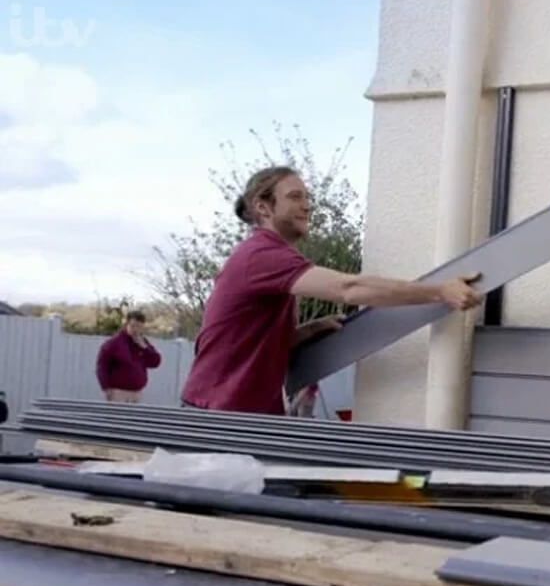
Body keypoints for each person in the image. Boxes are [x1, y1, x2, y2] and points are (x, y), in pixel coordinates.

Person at [181, 165, 483, 415]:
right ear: (263, 207)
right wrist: (440, 291)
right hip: (219, 414)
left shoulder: (266, 256)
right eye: (295, 197)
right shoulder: (261, 255)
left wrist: (306, 332)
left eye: (307, 197)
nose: (306, 205)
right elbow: (348, 288)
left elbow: (245, 341)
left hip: (237, 412)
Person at [96, 311, 162, 403]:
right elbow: (102, 366)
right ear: (126, 325)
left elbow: (155, 362)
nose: (136, 330)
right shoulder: (114, 343)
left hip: (136, 393)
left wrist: (145, 348)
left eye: (139, 327)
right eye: (133, 326)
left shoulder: (142, 342)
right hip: (118, 392)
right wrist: (106, 388)